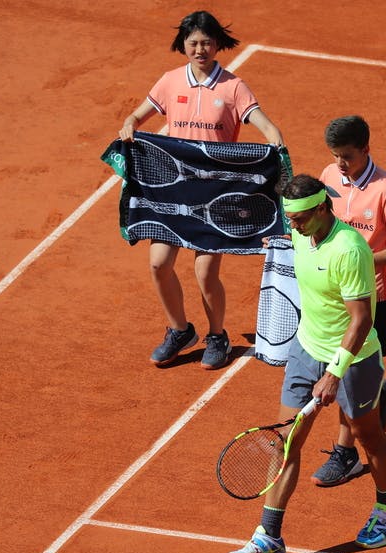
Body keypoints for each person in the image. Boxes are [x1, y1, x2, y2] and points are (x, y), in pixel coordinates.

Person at [228, 175, 386, 553]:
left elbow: (361, 320)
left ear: (324, 208)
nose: (295, 225)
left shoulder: (350, 250)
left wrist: (335, 373)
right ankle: (269, 537)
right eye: (291, 219)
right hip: (305, 350)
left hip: (354, 359)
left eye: (302, 218)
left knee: (368, 436)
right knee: (284, 442)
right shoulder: (300, 234)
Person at [119, 10, 284, 369]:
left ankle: (217, 336)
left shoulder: (233, 87)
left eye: (206, 42)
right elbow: (136, 116)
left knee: (205, 272)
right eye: (193, 42)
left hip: (216, 196)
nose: (200, 49)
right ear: (183, 44)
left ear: (216, 44)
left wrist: (277, 148)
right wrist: (130, 124)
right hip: (174, 192)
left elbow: (266, 126)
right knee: (158, 263)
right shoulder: (170, 82)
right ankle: (180, 330)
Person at [310, 115, 386, 486]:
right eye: (336, 155)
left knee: (347, 375)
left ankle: (346, 453)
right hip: (330, 294)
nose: (340, 163)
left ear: (366, 149)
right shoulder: (327, 176)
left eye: (348, 156)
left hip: (372, 297)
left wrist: (362, 260)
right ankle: (379, 395)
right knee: (345, 371)